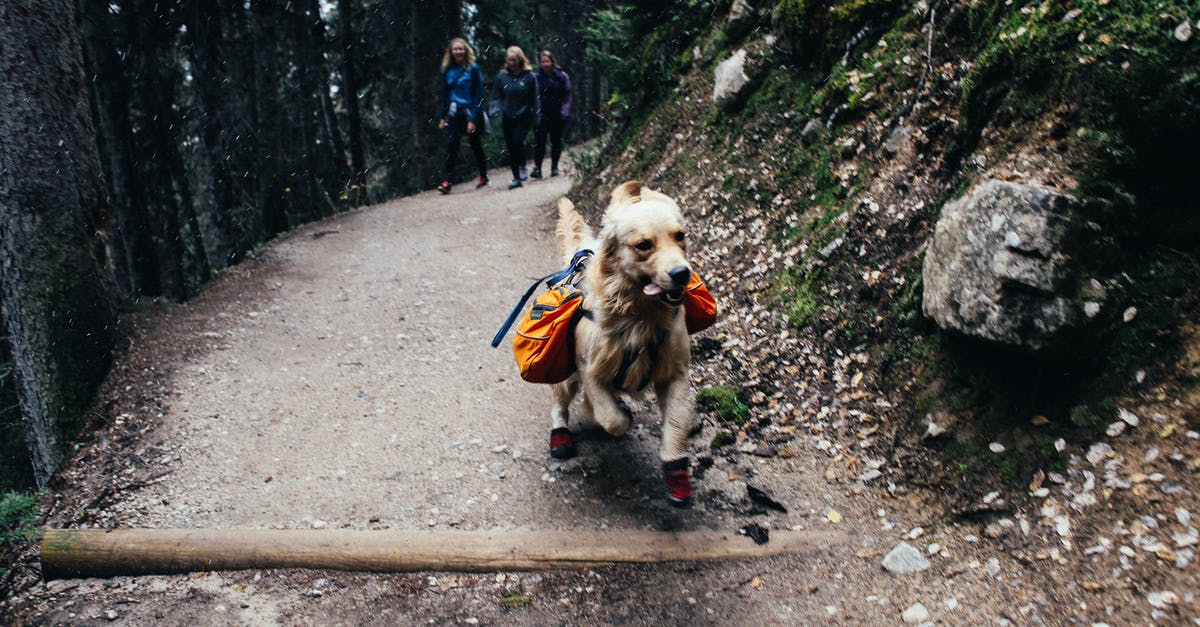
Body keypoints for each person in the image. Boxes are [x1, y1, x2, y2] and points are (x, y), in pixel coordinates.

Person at [438, 38, 488, 194]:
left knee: (475, 144)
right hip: (454, 112)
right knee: (452, 144)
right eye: (456, 49)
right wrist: (442, 116)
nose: (458, 52)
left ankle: (483, 175)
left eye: (461, 49)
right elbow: (445, 95)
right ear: (451, 52)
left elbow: (478, 94)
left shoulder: (473, 68)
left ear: (465, 50)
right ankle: (447, 181)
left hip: (470, 112)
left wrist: (473, 119)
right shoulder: (448, 70)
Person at [490, 46, 540, 189]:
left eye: (514, 60)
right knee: (511, 146)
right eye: (509, 60)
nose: (511, 63)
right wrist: (495, 110)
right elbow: (496, 96)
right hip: (508, 116)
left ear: (520, 59)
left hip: (524, 115)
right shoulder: (502, 76)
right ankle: (516, 177)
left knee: (517, 141)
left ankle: (522, 166)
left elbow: (535, 98)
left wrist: (537, 116)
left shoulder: (529, 76)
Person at [531, 50, 572, 179]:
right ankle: (537, 168)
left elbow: (567, 94)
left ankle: (554, 167)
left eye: (547, 61)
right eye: (543, 62)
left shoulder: (562, 76)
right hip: (542, 114)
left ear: (552, 62)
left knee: (556, 141)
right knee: (540, 142)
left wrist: (565, 111)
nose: (545, 64)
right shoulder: (536, 77)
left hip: (557, 114)